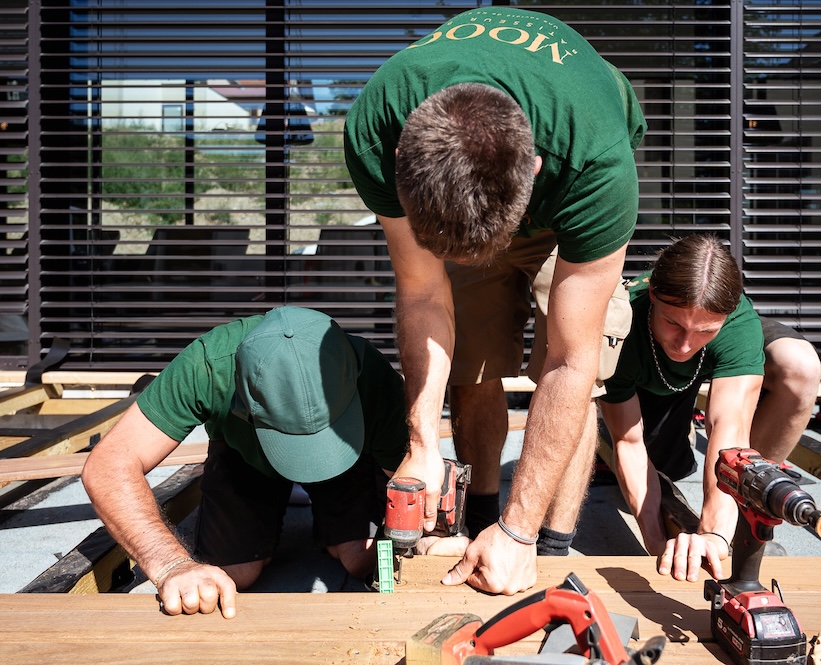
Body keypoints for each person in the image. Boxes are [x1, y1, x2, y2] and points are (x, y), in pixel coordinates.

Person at [343, 6, 645, 595]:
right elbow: (423, 288)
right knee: (472, 365)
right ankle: (476, 516)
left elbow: (569, 361)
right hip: (469, 189)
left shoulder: (597, 164)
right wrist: (422, 443)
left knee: (576, 364)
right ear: (402, 164)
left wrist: (520, 531)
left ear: (532, 169)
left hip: (567, 199)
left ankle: (544, 542)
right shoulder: (379, 125)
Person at [82, 307, 417, 618]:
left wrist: (428, 533)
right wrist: (171, 565)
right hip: (246, 453)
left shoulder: (368, 371)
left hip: (345, 455)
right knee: (233, 576)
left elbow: (411, 479)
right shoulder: (208, 366)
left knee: (361, 560)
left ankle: (324, 515)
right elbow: (108, 465)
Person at [597, 234, 821, 583]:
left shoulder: (737, 327)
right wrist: (657, 545)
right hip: (645, 381)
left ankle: (747, 508)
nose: (685, 344)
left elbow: (727, 430)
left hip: (705, 366)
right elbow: (630, 443)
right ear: (654, 295)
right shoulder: (621, 325)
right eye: (673, 323)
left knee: (801, 366)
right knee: (658, 466)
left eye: (704, 330)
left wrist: (713, 536)